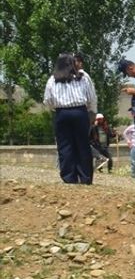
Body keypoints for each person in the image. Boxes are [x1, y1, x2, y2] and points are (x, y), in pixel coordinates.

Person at [43, 52, 98, 184]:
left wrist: (55, 109)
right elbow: (91, 97)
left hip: (61, 114)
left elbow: (47, 100)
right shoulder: (83, 77)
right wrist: (92, 112)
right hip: (80, 112)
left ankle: (69, 177)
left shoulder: (52, 79)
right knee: (83, 145)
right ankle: (85, 177)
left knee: (65, 145)